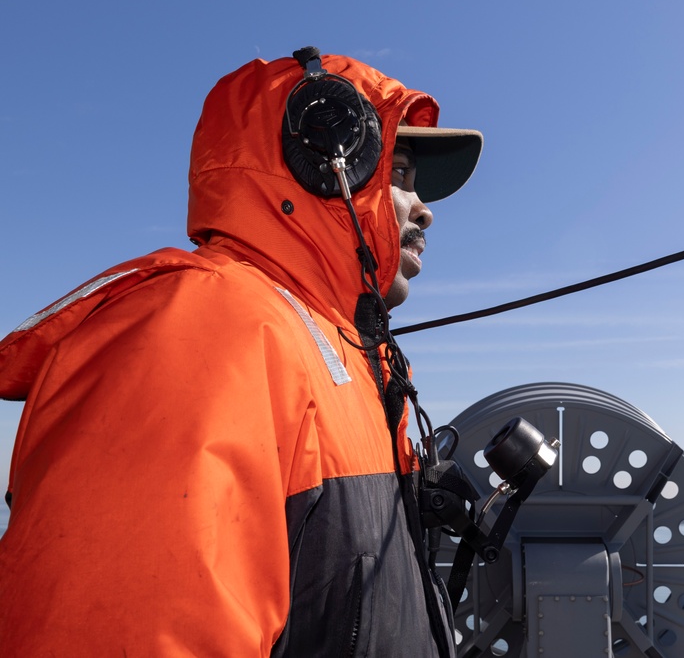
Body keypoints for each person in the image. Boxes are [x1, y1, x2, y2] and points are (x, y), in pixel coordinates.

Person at [0, 47, 482, 657]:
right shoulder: (200, 331)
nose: (426, 211)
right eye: (402, 174)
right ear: (325, 160)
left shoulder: (350, 361)